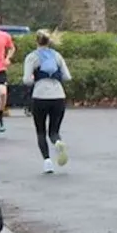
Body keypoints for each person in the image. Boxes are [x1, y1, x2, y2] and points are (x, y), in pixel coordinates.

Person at [22, 30, 72, 174]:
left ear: (36, 41)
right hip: (58, 96)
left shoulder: (32, 57)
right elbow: (67, 77)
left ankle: (47, 161)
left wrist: (35, 78)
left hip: (40, 96)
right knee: (54, 130)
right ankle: (57, 142)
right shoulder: (57, 56)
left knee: (40, 131)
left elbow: (26, 80)